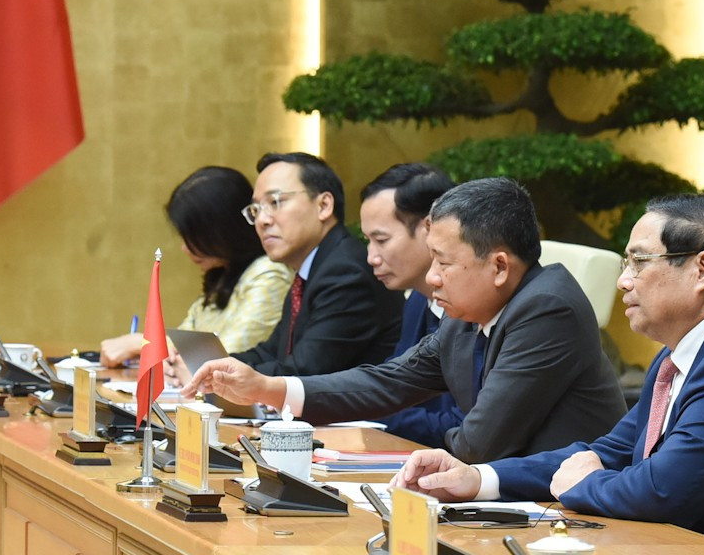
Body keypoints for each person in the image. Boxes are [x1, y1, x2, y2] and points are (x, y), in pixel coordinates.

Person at [391, 194, 704, 555]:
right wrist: (478, 479)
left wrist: (582, 485)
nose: (623, 281)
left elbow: (658, 491)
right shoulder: (686, 350)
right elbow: (612, 452)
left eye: (639, 261)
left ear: (703, 270)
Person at [185, 176, 625, 463]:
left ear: (499, 267)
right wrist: (268, 387)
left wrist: (374, 455)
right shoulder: (473, 309)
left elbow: (478, 444)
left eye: (443, 262)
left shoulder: (547, 309)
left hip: (566, 519)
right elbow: (391, 380)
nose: (431, 278)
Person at [227, 151, 403, 379]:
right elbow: (271, 353)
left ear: (324, 205)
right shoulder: (312, 270)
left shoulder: (346, 272)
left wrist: (223, 378)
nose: (262, 220)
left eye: (275, 202)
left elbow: (305, 372)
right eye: (256, 209)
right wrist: (212, 365)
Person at [98, 166, 292, 371]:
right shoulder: (222, 276)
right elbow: (182, 344)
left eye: (193, 236)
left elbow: (219, 359)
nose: (185, 247)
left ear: (221, 230)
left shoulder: (270, 275)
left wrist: (143, 343)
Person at [356, 162, 462, 444]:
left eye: (381, 240)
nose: (371, 257)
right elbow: (393, 384)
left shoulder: (475, 308)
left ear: (431, 228)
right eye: (367, 241)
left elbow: (461, 427)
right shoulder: (417, 299)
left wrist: (368, 409)